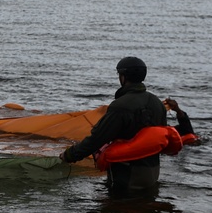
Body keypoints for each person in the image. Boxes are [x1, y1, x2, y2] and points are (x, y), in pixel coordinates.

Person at [60, 56, 176, 193]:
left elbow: (97, 138)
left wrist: (69, 155)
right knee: (145, 201)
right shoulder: (157, 103)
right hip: (152, 172)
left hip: (126, 173)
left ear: (123, 77)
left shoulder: (120, 106)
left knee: (117, 204)